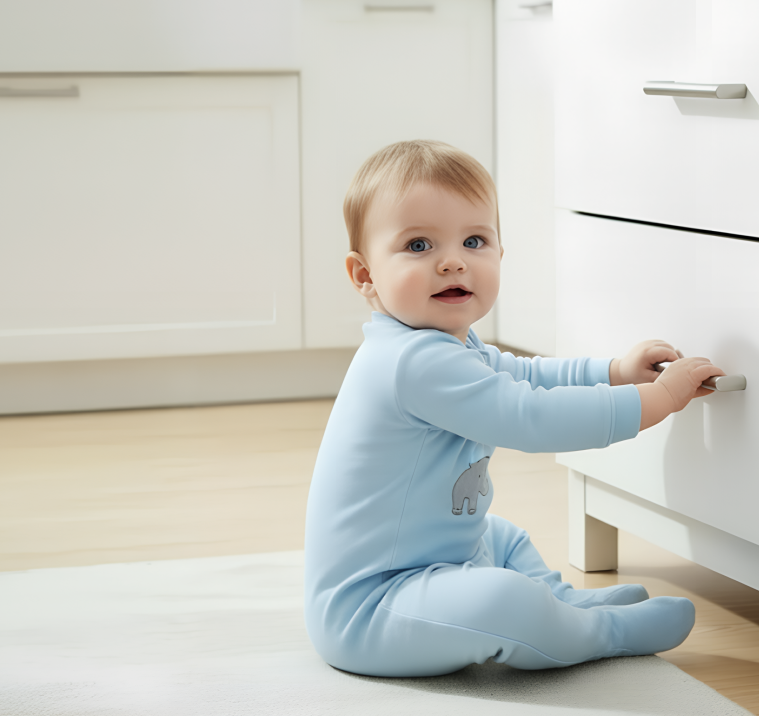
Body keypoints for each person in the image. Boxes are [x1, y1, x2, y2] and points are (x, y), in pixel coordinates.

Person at [304, 139, 724, 677]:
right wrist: (655, 400)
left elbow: (524, 375)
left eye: (473, 241)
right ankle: (602, 633)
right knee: (503, 603)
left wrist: (613, 371)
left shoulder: (448, 346)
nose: (452, 261)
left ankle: (561, 602)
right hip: (373, 609)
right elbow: (527, 415)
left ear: (499, 254)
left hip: (439, 563)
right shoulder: (412, 362)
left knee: (500, 535)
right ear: (365, 275)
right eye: (418, 245)